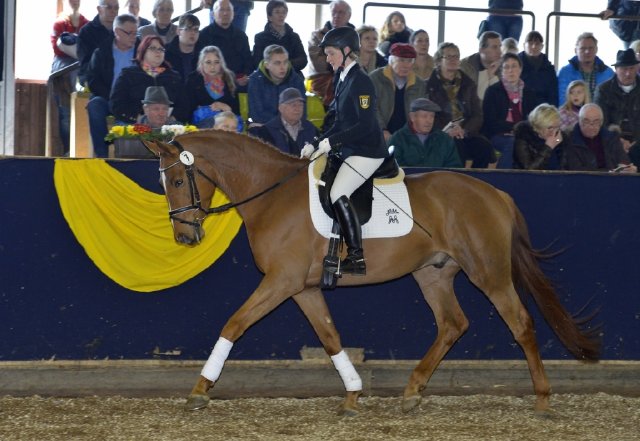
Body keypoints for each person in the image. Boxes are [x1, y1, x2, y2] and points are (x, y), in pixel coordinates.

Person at [300, 27, 388, 276]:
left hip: (367, 151)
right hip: (350, 148)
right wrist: (318, 142)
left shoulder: (361, 81)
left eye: (330, 53)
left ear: (347, 51)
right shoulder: (342, 78)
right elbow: (337, 121)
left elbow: (365, 125)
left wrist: (334, 142)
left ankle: (356, 257)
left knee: (338, 192)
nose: (327, 59)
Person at [426, 42, 497, 169]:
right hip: (440, 132)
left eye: (456, 56)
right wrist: (447, 130)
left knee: (484, 147)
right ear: (438, 61)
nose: (453, 60)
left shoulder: (468, 84)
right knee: (458, 149)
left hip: (465, 130)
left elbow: (477, 114)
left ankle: (476, 181)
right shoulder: (429, 85)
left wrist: (464, 130)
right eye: (448, 57)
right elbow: (427, 114)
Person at [85, 13, 138, 157]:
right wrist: (113, 97)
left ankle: (130, 155)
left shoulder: (142, 51)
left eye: (136, 32)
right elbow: (92, 80)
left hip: (132, 100)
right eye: (129, 33)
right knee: (94, 105)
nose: (134, 36)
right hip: (107, 98)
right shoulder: (102, 52)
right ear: (117, 32)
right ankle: (101, 155)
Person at [110, 35, 188, 124]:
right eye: (153, 48)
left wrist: (171, 119)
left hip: (168, 123)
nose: (158, 52)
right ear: (143, 51)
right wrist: (138, 118)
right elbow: (116, 104)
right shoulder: (128, 74)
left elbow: (184, 105)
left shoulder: (173, 76)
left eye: (161, 49)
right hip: (134, 122)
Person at [482, 53, 541, 169]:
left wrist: (520, 130)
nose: (510, 70)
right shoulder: (493, 91)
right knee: (513, 143)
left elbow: (533, 120)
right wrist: (514, 128)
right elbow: (490, 122)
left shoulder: (529, 93)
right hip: (498, 134)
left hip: (523, 134)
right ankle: (501, 178)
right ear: (501, 71)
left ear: (520, 69)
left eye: (514, 66)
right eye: (506, 67)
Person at [51, 0, 90, 153]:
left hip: (81, 72)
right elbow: (57, 48)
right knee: (65, 115)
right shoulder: (59, 23)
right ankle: (68, 149)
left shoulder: (86, 24)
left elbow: (89, 48)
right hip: (62, 73)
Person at [370, 43, 425, 142]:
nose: (406, 65)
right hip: (379, 132)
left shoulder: (419, 84)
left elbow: (422, 111)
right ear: (391, 61)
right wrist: (382, 129)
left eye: (410, 61)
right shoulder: (375, 78)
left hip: (408, 135)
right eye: (401, 60)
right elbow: (370, 108)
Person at [388, 98, 462, 168]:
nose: (429, 121)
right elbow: (392, 169)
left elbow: (454, 169)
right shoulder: (397, 139)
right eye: (424, 116)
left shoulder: (445, 140)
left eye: (432, 116)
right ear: (412, 117)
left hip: (439, 181)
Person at [198, 0, 254, 91]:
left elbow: (248, 62)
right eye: (221, 10)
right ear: (213, 14)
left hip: (237, 83)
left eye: (228, 10)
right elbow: (200, 64)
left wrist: (245, 77)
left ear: (233, 14)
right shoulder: (204, 35)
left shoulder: (241, 36)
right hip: (212, 82)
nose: (225, 13)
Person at [307, 0, 354, 107]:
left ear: (349, 16)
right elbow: (320, 66)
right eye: (334, 12)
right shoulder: (317, 36)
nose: (336, 15)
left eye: (341, 12)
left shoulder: (357, 36)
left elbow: (360, 60)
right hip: (323, 81)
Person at [564, 103, 636, 172]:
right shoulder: (570, 140)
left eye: (596, 122)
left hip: (613, 182)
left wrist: (628, 169)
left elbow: (624, 161)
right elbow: (575, 170)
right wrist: (608, 172)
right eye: (586, 121)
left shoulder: (611, 139)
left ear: (601, 123)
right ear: (579, 121)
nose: (591, 126)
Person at [247, 44, 306, 126]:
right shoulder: (255, 81)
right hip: (266, 125)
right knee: (255, 126)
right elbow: (257, 114)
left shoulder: (296, 80)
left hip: (291, 126)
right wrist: (282, 123)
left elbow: (301, 112)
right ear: (267, 65)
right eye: (277, 63)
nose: (283, 67)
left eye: (285, 62)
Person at [249, 87, 318, 155]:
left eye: (300, 105)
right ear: (281, 108)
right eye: (293, 105)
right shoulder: (267, 131)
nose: (298, 109)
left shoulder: (311, 129)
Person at [594, 48, 640, 145]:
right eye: (624, 69)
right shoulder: (603, 91)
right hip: (611, 143)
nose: (628, 73)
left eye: (631, 68)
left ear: (637, 68)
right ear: (616, 69)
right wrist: (617, 141)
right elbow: (599, 123)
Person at [186, 45, 239, 128]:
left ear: (221, 63)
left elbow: (237, 110)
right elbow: (187, 109)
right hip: (201, 125)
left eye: (216, 62)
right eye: (208, 62)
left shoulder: (229, 77)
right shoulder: (193, 79)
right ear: (201, 63)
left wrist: (227, 108)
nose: (212, 67)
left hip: (227, 122)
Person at [557, 32, 614, 106]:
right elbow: (562, 100)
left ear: (596, 49)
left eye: (591, 48)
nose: (587, 52)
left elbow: (612, 100)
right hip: (571, 116)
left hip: (601, 116)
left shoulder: (608, 73)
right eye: (582, 48)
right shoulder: (565, 73)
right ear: (575, 51)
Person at [251, 0, 307, 73]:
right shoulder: (260, 37)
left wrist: (284, 65)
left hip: (291, 73)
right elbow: (257, 62)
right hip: (268, 75)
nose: (281, 15)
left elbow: (303, 60)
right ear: (269, 16)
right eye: (277, 12)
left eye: (284, 12)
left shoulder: (294, 36)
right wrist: (274, 68)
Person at [77, 0, 119, 87]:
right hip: (94, 78)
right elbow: (85, 63)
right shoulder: (87, 31)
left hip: (118, 77)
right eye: (109, 7)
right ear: (99, 9)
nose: (113, 11)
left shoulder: (122, 31)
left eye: (116, 8)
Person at [513, 103, 566, 170]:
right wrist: (548, 147)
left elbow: (566, 167)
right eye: (550, 128)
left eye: (557, 127)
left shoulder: (560, 137)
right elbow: (529, 170)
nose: (554, 132)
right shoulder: (524, 136)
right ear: (538, 127)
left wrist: (558, 142)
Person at [518, 30, 558, 106]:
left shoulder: (549, 68)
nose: (533, 46)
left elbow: (553, 94)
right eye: (530, 43)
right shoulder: (516, 65)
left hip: (544, 109)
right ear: (524, 45)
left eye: (537, 44)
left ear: (542, 46)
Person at [460, 31, 502, 102]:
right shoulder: (466, 66)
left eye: (500, 46)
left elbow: (500, 98)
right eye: (494, 47)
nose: (500, 51)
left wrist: (492, 76)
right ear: (481, 50)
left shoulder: (504, 66)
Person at [164, 13, 201, 83]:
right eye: (188, 29)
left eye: (196, 29)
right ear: (178, 31)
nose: (193, 33)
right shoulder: (166, 53)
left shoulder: (203, 54)